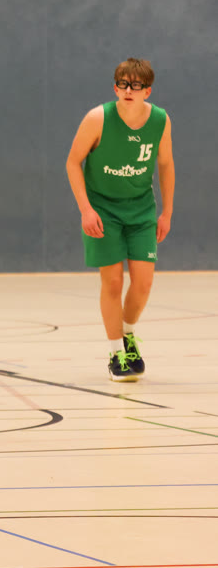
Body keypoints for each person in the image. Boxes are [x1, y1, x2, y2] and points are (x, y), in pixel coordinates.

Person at [66, 58, 175, 382]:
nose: (129, 90)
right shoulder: (97, 118)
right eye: (123, 84)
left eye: (136, 85)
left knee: (143, 284)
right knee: (112, 282)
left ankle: (127, 334)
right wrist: (86, 209)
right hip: (103, 210)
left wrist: (167, 212)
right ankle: (116, 353)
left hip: (141, 210)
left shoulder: (160, 120)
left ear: (147, 91)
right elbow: (73, 163)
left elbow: (165, 164)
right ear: (115, 88)